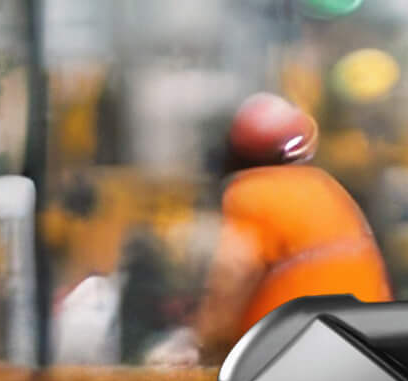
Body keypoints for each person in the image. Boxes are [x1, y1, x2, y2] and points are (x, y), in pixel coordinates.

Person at [156, 93, 389, 365]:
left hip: (293, 360)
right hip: (365, 356)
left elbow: (234, 271)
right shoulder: (328, 190)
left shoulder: (252, 193)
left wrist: (201, 347)